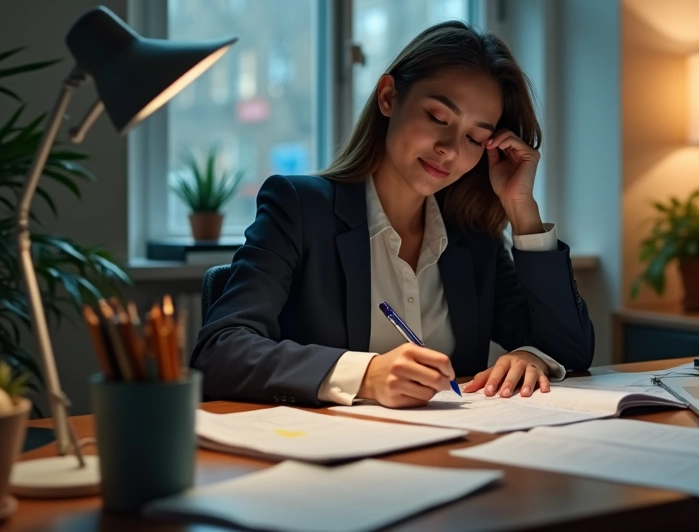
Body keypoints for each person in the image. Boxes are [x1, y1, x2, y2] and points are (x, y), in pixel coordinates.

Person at [191, 21, 594, 408]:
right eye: (438, 118)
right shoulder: (299, 207)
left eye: (475, 137)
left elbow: (571, 350)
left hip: (447, 454)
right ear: (388, 96)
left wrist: (522, 212)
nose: (450, 149)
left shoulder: (473, 238)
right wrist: (366, 375)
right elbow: (219, 350)